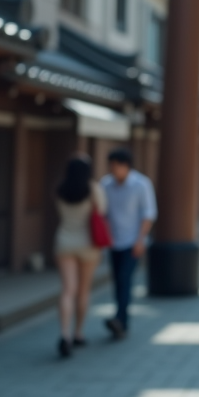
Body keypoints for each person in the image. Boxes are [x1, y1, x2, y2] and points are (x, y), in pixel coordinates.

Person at [54, 155, 107, 358]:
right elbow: (102, 210)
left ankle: (64, 334)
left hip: (64, 241)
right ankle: (78, 333)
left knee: (68, 290)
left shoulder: (60, 189)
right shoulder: (93, 189)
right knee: (83, 291)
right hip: (88, 243)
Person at [100, 149, 156, 341]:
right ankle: (120, 320)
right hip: (113, 242)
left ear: (126, 166)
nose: (112, 170)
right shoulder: (106, 184)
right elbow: (103, 213)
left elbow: (148, 213)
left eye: (115, 166)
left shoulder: (141, 184)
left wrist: (141, 240)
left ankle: (120, 319)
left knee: (125, 279)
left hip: (133, 242)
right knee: (117, 280)